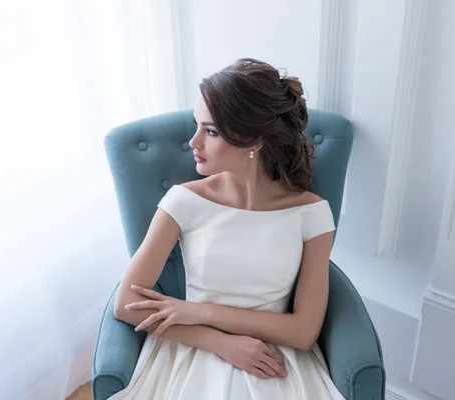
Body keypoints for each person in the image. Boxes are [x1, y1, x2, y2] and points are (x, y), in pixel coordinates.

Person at [109, 58, 344, 399]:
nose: (194, 141)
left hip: (273, 357)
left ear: (255, 141)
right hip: (190, 350)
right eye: (197, 125)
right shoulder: (183, 201)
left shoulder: (312, 213)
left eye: (211, 131)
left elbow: (304, 331)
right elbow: (126, 301)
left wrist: (199, 311)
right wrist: (218, 342)